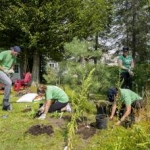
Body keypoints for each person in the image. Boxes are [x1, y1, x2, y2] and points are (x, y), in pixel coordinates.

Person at [0, 46, 21, 111]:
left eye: (17, 54)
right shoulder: (4, 53)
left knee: (9, 85)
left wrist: (11, 69)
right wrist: (4, 70)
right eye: (15, 53)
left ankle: (6, 105)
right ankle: (5, 102)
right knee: (8, 83)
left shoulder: (14, 56)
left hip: (7, 72)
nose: (16, 54)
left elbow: (13, 63)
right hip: (1, 71)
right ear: (12, 50)